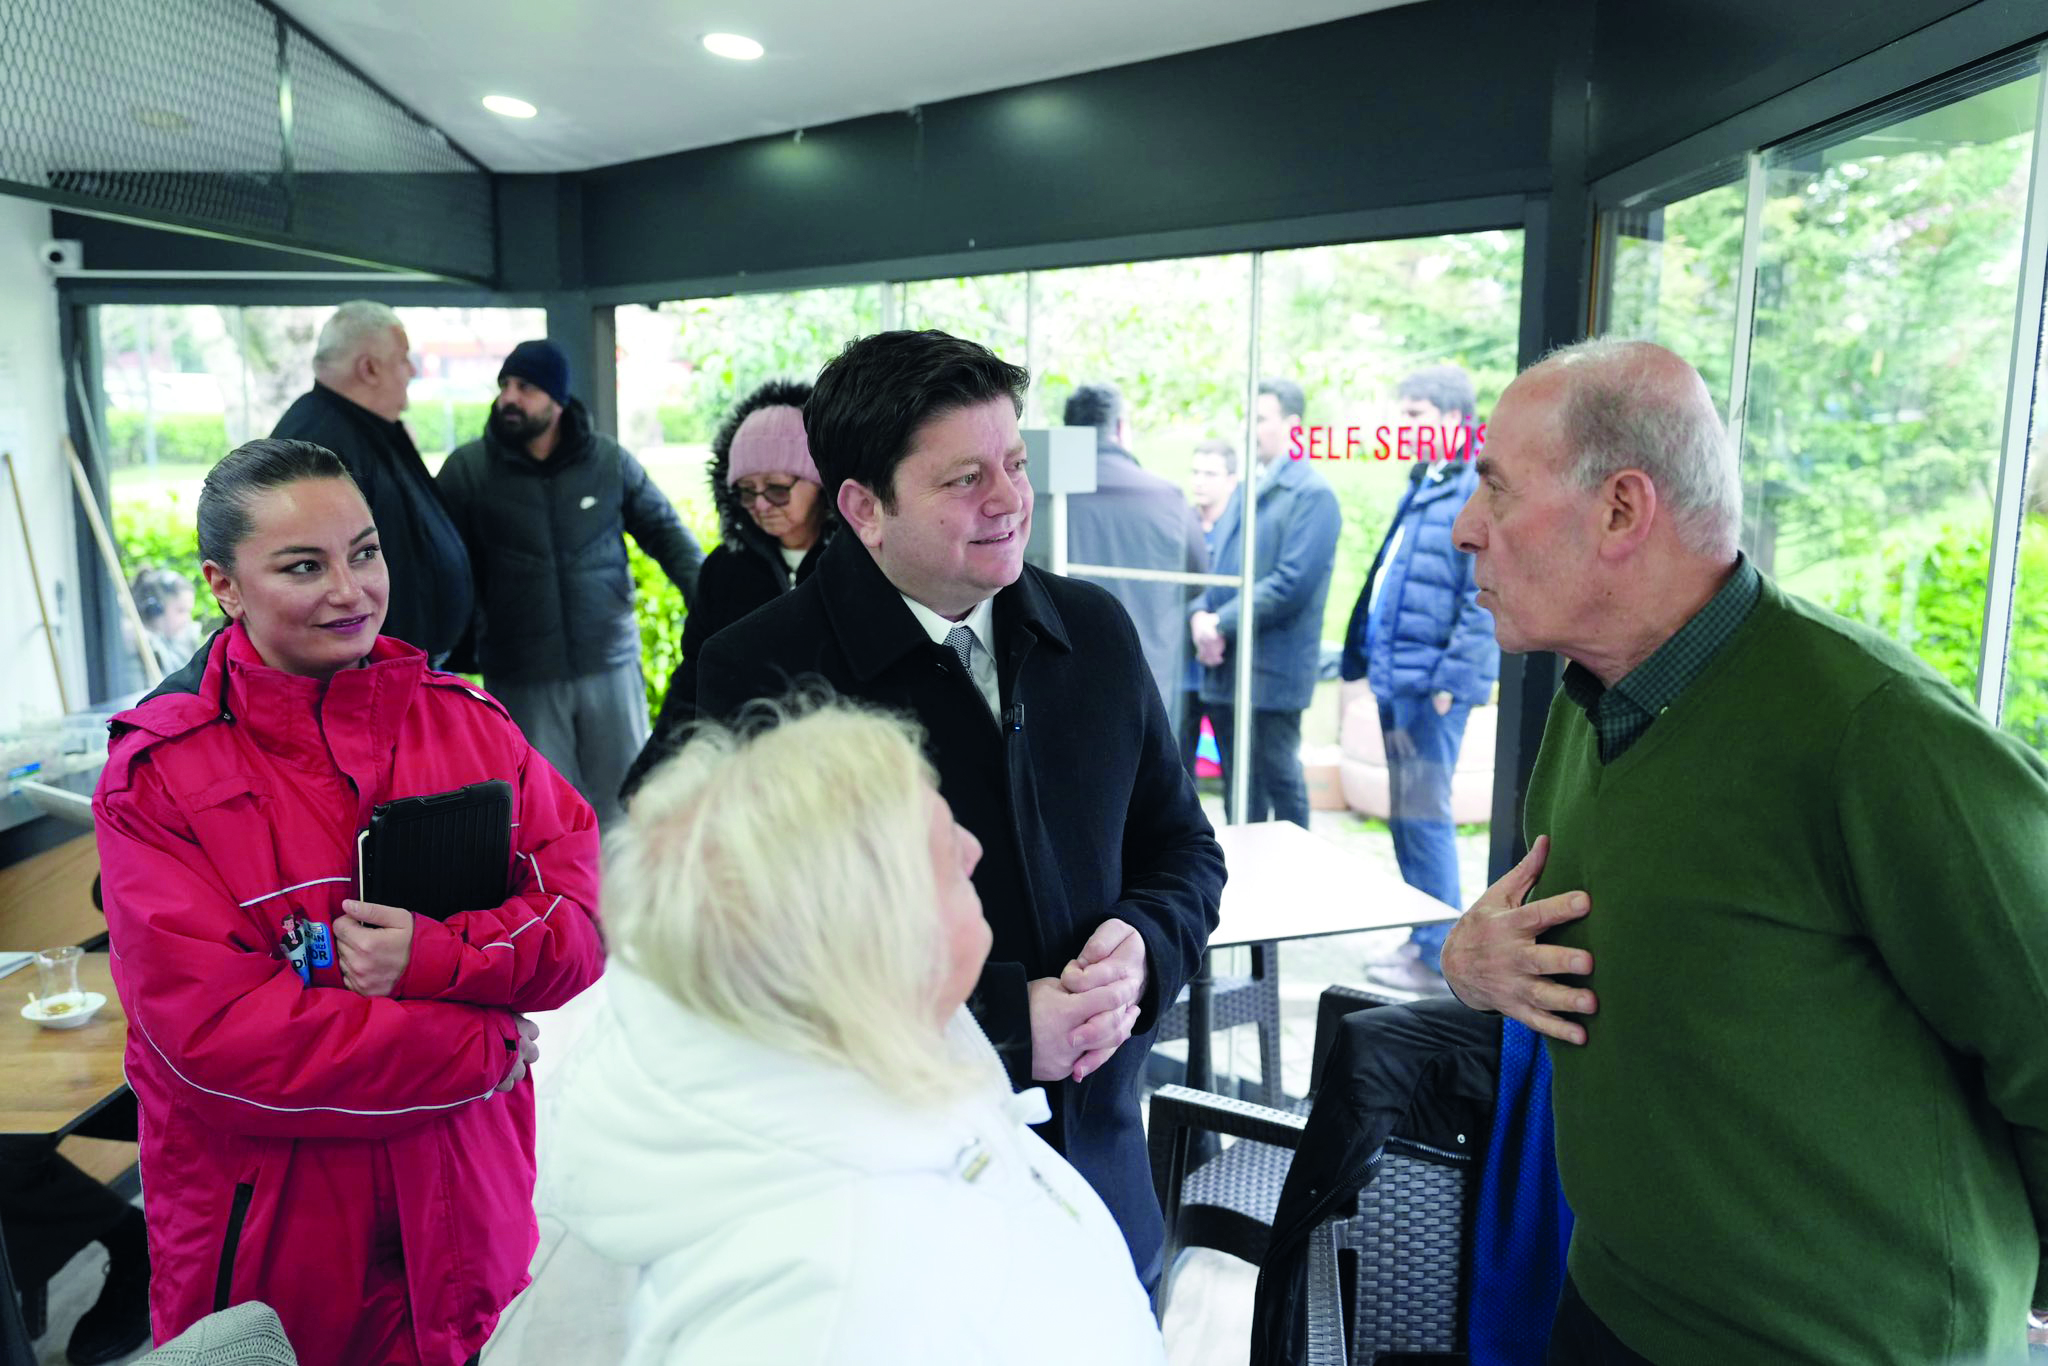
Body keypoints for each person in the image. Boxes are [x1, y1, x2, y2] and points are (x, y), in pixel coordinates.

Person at [1439, 339, 2048, 1364]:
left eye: (1494, 491)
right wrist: (1468, 963)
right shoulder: (1588, 700)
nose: (1464, 531)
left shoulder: (1872, 731)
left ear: (1621, 510)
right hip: (1612, 1307)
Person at [689, 329, 1223, 1286]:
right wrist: (997, 1027)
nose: (1010, 499)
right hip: (886, 1229)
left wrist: (1143, 945)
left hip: (1103, 1198)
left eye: (1014, 463)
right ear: (863, 509)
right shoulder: (755, 679)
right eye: (964, 478)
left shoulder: (1092, 632)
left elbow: (1182, 847)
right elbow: (727, 960)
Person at [92, 438, 607, 1366]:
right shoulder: (159, 778)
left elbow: (579, 933)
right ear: (225, 585)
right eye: (303, 566)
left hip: (468, 1209)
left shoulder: (470, 726)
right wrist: (474, 1041)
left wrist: (434, 957)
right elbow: (221, 1046)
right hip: (275, 1250)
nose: (350, 590)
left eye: (364, 552)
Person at [545, 700, 1166, 1364]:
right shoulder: (824, 1311)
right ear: (861, 930)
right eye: (936, 845)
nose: (972, 848)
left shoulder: (892, 1060)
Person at [436, 340, 704, 828]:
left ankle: (623, 904)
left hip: (608, 662)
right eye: (505, 386)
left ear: (556, 400)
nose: (509, 399)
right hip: (521, 673)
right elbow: (437, 565)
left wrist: (712, 602)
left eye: (525, 387)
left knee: (625, 800)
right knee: (542, 810)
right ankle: (562, 906)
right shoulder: (468, 470)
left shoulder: (607, 461)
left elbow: (666, 533)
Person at [1343, 364, 1499, 994]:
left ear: (1455, 420)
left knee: (1424, 815)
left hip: (1430, 689)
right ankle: (1422, 939)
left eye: (1416, 417)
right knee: (1407, 815)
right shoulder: (1427, 482)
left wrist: (1450, 680)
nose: (1404, 429)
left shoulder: (1472, 489)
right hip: (1399, 682)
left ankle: (1436, 952)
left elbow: (1480, 595)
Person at [621, 378, 832, 800]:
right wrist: (654, 771)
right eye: (746, 492)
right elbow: (696, 673)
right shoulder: (726, 568)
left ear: (821, 481)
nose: (761, 506)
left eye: (777, 488)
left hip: (830, 774)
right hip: (743, 775)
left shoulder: (856, 567)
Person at [270, 300, 473, 663]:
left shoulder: (370, 427)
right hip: (371, 673)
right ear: (369, 368)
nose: (411, 370)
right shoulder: (318, 442)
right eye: (403, 358)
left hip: (404, 664)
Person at [1191, 378, 1341, 827]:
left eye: (1261, 419)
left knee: (1280, 780)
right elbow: (1221, 567)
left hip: (1273, 674)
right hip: (1230, 671)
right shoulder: (1250, 490)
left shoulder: (1314, 496)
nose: (1251, 429)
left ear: (1293, 426)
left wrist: (1220, 624)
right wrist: (1201, 615)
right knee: (1240, 789)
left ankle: (1300, 883)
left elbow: (1290, 585)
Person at [1061, 382, 1209, 739]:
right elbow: (1198, 580)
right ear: (1121, 428)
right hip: (1149, 675)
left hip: (1061, 676)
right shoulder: (1168, 499)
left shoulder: (1042, 496)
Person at [1180, 438, 1239, 774]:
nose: (1200, 480)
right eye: (1195, 472)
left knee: (1234, 763)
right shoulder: (1181, 523)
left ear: (1231, 480)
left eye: (1210, 473)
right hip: (1185, 670)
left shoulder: (1241, 533)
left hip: (1227, 667)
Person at [130, 565, 204, 675]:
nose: (187, 620)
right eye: (181, 611)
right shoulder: (139, 646)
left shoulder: (175, 643)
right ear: (156, 609)